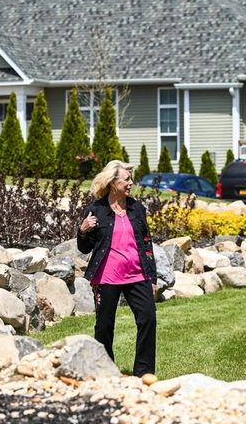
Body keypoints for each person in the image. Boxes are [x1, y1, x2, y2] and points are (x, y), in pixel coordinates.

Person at [77, 160, 158, 377]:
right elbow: (84, 248)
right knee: (104, 326)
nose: (131, 183)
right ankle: (105, 371)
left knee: (148, 318)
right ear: (113, 183)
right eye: (127, 179)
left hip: (137, 274)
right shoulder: (97, 210)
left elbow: (147, 243)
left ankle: (144, 372)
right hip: (107, 277)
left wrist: (152, 277)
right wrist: (83, 230)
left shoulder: (137, 208)